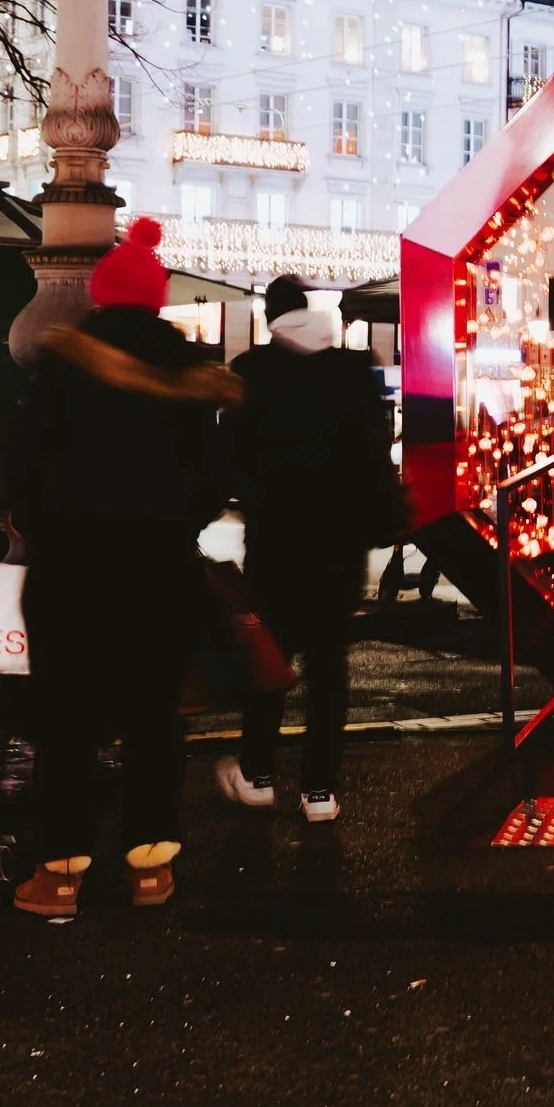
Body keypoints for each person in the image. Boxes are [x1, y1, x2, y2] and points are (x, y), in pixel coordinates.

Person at [5, 219, 241, 918]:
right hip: (159, 569)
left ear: (100, 296)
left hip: (72, 568)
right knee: (153, 717)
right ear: (158, 298)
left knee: (66, 715)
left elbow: (23, 464)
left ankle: (62, 871)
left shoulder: (63, 367)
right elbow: (212, 479)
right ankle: (150, 867)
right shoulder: (190, 377)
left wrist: (44, 522)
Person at [220, 274, 398, 824]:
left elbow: (234, 455)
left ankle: (258, 775)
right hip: (339, 544)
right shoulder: (351, 370)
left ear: (272, 319)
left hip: (277, 540)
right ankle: (320, 789)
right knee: (327, 667)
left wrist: (247, 497)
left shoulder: (253, 371)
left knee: (269, 658)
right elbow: (375, 452)